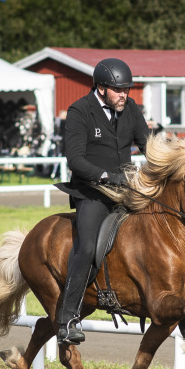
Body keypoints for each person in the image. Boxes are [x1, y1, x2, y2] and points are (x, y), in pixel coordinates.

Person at [54, 57, 149, 344]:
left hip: (127, 190)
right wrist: (107, 175)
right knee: (86, 248)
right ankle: (67, 318)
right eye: (119, 90)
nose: (125, 95)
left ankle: (179, 316)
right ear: (102, 87)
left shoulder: (130, 109)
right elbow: (76, 160)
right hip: (92, 192)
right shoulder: (80, 111)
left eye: (127, 90)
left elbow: (149, 145)